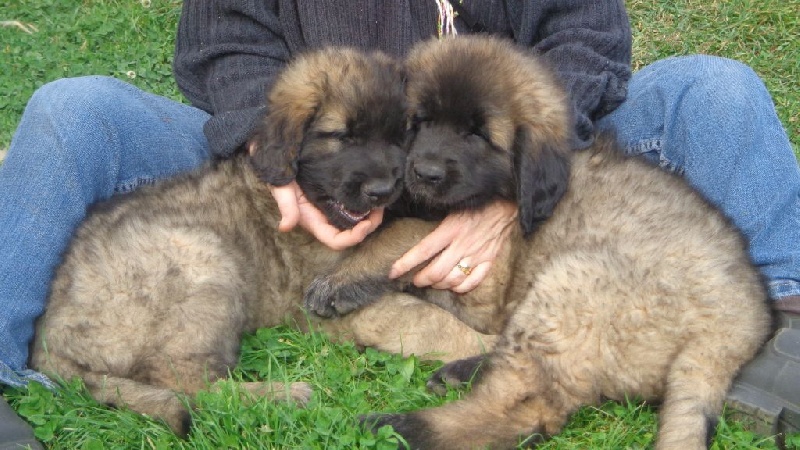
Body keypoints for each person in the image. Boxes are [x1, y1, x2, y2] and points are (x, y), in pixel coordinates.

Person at [1, 1, 797, 446]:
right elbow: (220, 42)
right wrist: (280, 152)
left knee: (712, 91)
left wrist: (517, 173)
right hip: (322, 141)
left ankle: (782, 329)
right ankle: (5, 363)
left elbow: (589, 35)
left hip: (497, 149)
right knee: (75, 112)